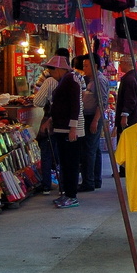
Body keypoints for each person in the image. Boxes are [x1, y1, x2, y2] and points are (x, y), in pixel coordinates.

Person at [44, 55, 85, 209]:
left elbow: (75, 105)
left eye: (51, 69)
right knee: (65, 163)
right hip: (62, 127)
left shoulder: (71, 80)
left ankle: (71, 195)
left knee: (71, 163)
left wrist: (73, 128)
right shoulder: (65, 80)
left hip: (69, 129)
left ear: (60, 69)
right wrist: (51, 119)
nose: (49, 72)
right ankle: (67, 193)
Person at [32, 48, 70, 194]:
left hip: (52, 120)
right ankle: (62, 185)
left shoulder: (49, 81)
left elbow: (38, 102)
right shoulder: (73, 79)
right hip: (66, 123)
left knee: (47, 151)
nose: (50, 72)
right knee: (61, 153)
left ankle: (47, 184)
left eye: (51, 69)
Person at [79, 53, 109, 192]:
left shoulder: (99, 80)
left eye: (86, 65)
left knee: (89, 150)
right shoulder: (89, 79)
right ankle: (95, 180)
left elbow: (102, 102)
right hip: (89, 117)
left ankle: (88, 182)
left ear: (94, 66)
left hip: (93, 118)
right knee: (94, 150)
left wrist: (95, 121)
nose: (83, 68)